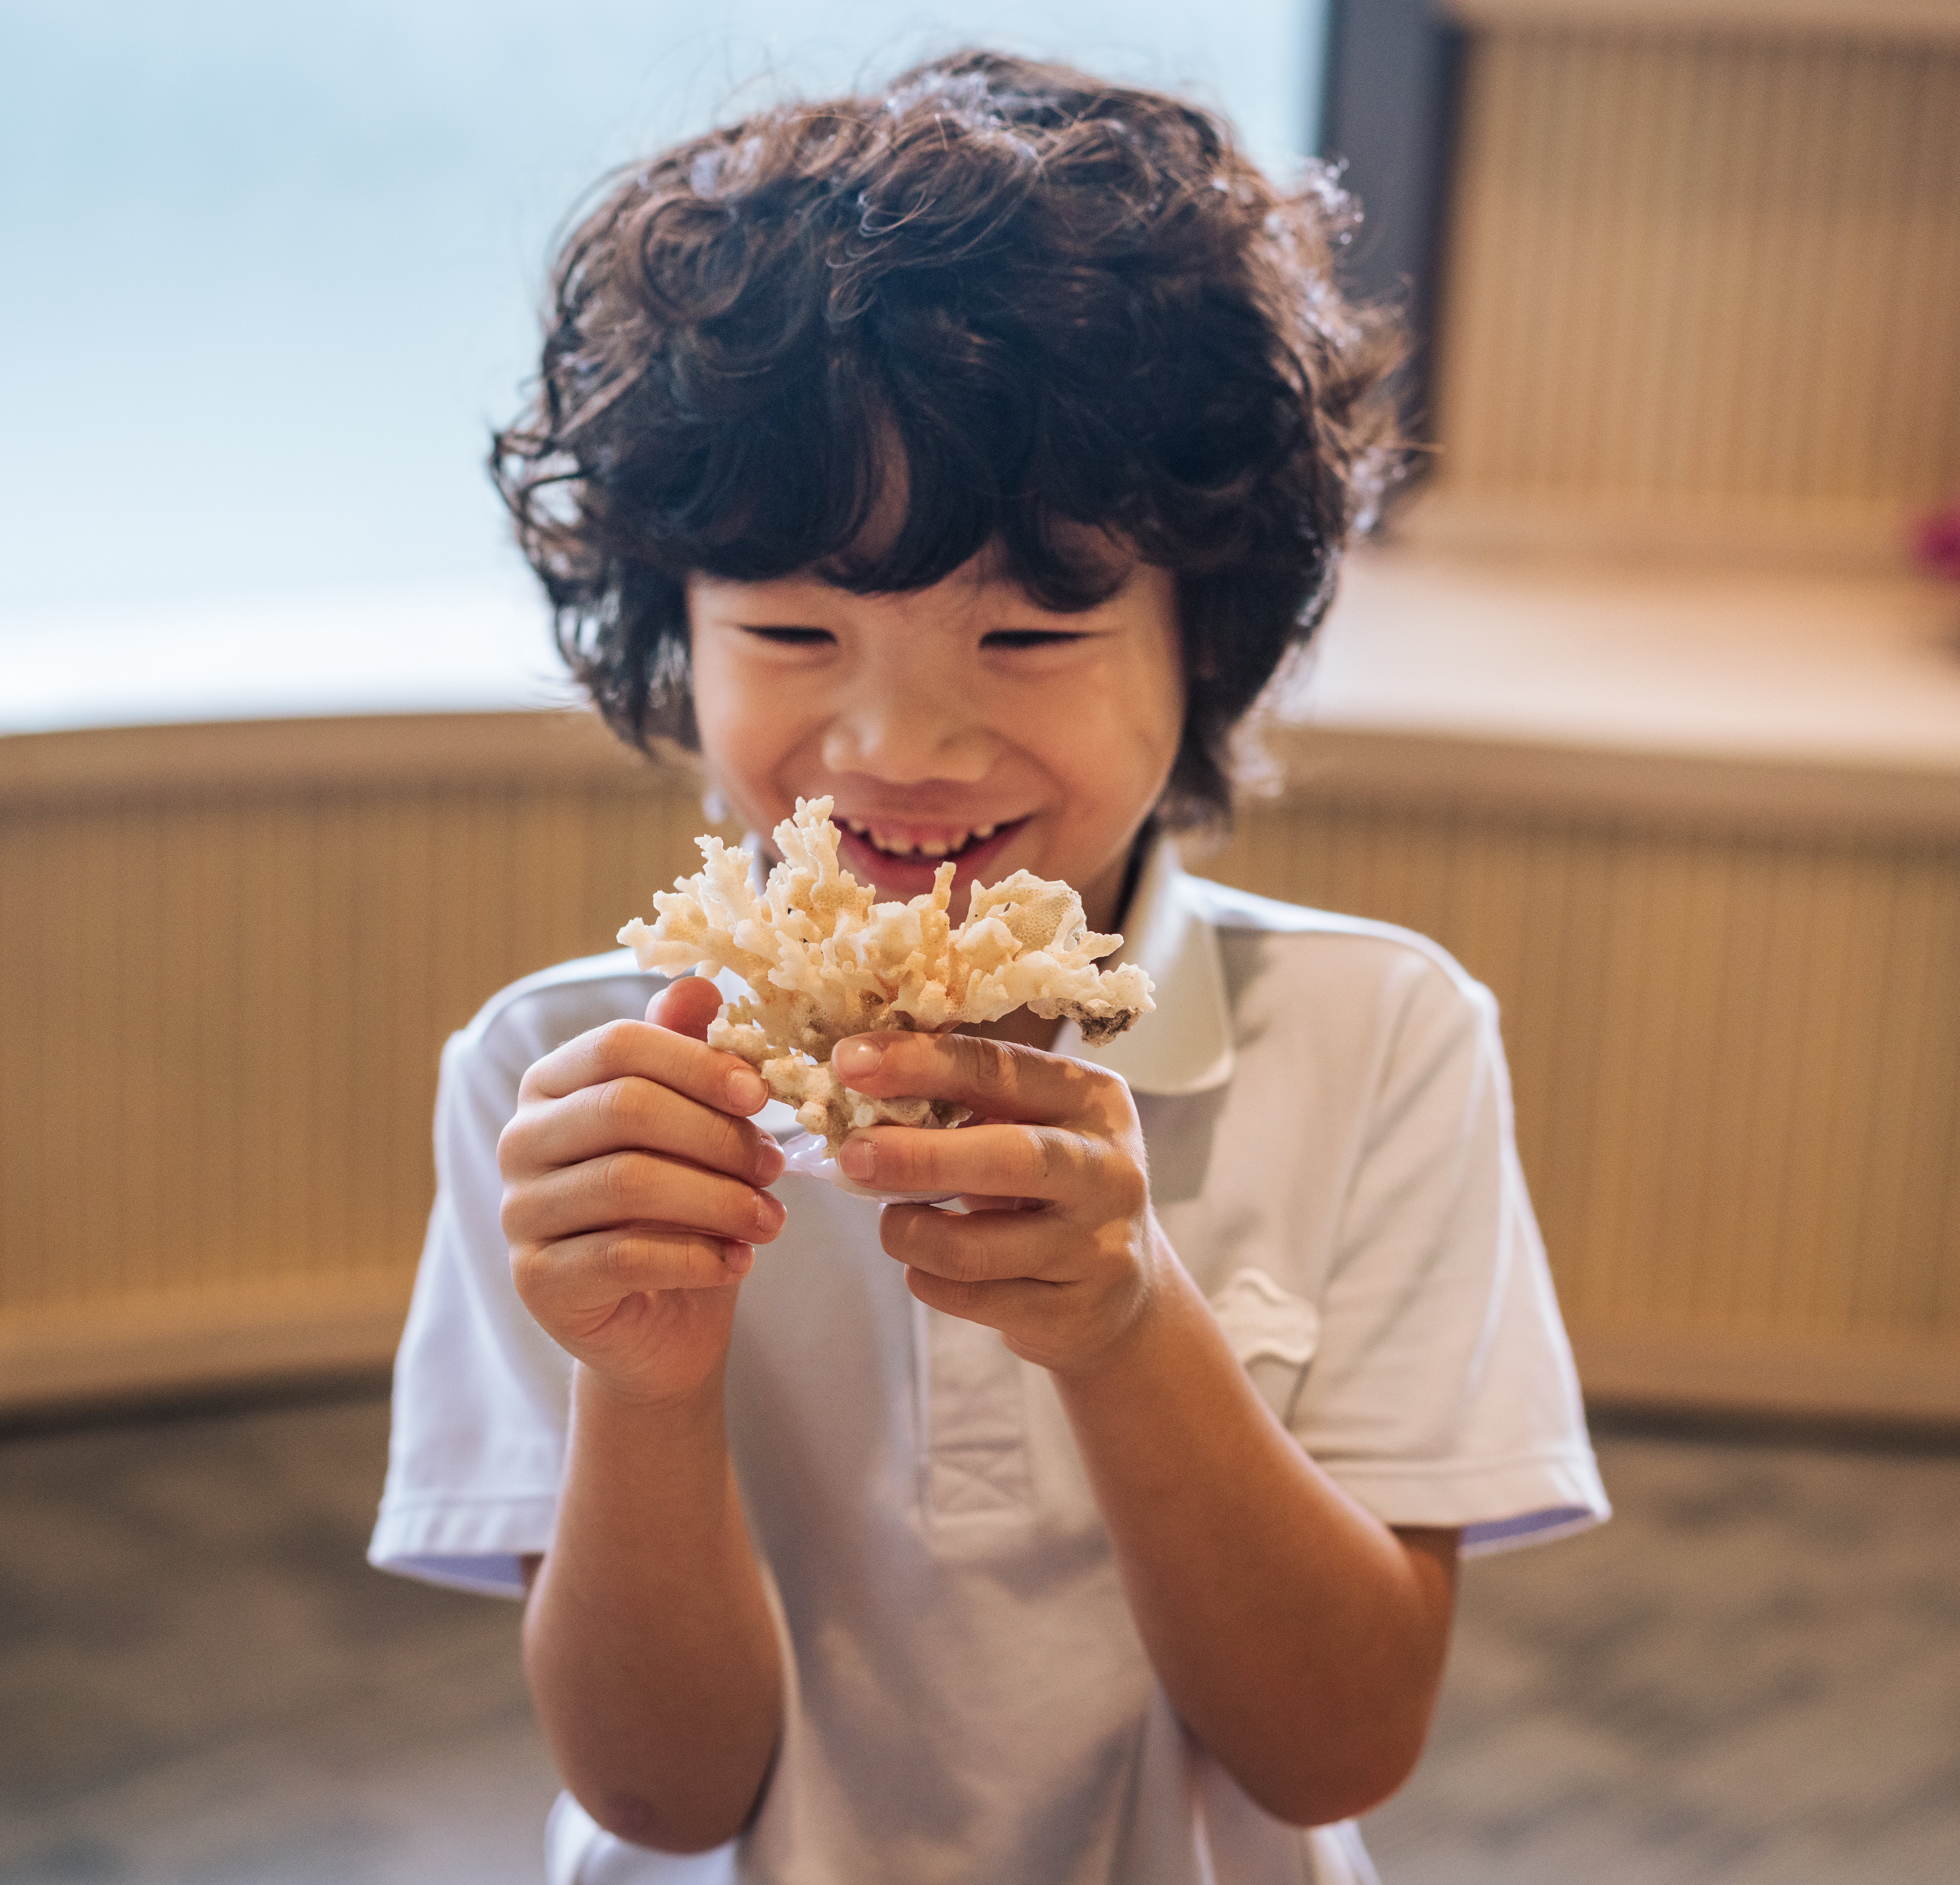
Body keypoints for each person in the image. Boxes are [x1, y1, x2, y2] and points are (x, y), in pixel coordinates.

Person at [368, 50, 1607, 1885]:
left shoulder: (1377, 1037)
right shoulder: (564, 1083)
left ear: (1212, 642)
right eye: (791, 625)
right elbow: (662, 1792)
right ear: (672, 628)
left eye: (1029, 631)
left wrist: (1124, 1327)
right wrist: (641, 1378)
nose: (899, 740)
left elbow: (1337, 1738)